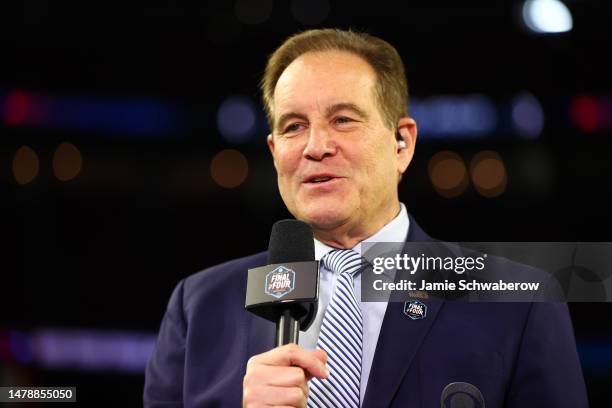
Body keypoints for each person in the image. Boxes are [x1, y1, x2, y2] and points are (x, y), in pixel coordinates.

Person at [144, 29, 588, 407]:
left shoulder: (519, 302)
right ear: (274, 151)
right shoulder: (198, 305)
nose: (315, 146)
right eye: (293, 126)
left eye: (342, 119)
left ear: (402, 143)